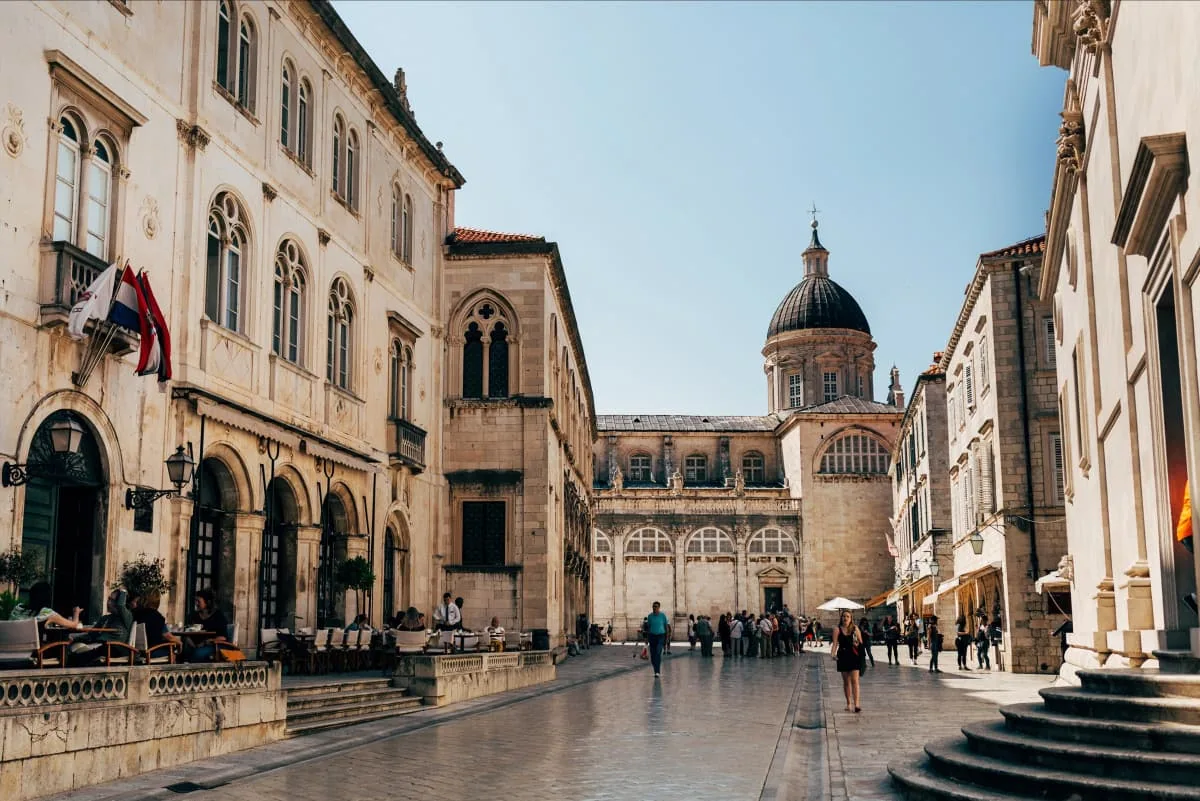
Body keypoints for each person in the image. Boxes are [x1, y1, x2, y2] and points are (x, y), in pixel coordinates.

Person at [70, 588, 134, 666]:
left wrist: (123, 591)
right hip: (100, 646)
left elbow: (120, 605)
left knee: (78, 659)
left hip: (114, 648)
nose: (108, 602)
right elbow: (91, 634)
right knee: (69, 651)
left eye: (112, 600)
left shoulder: (127, 617)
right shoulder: (105, 618)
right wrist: (74, 638)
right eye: (109, 599)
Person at [11, 581, 83, 630]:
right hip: (30, 650)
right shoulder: (47, 613)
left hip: (7, 648)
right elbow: (74, 625)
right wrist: (76, 612)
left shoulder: (17, 609)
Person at [184, 588, 229, 662]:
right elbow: (187, 632)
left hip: (213, 646)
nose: (196, 603)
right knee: (183, 653)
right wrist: (192, 644)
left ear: (207, 602)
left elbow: (222, 638)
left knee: (197, 654)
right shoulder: (194, 615)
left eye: (198, 601)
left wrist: (205, 642)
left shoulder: (218, 616)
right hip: (194, 646)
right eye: (195, 601)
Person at [831, 610, 863, 713]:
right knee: (846, 682)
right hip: (843, 656)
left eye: (847, 616)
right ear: (841, 618)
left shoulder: (855, 629)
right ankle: (849, 703)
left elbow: (860, 642)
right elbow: (835, 643)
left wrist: (857, 643)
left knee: (855, 680)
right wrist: (832, 653)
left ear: (851, 618)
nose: (845, 618)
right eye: (844, 616)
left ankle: (857, 704)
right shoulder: (837, 629)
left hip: (854, 656)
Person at [645, 601, 671, 677]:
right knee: (653, 656)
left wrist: (666, 638)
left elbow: (666, 627)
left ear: (659, 607)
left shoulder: (662, 616)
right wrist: (646, 638)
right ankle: (655, 670)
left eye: (656, 606)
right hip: (652, 636)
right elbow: (648, 628)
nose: (654, 608)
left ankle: (657, 672)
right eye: (653, 606)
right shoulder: (650, 616)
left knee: (658, 653)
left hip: (660, 636)